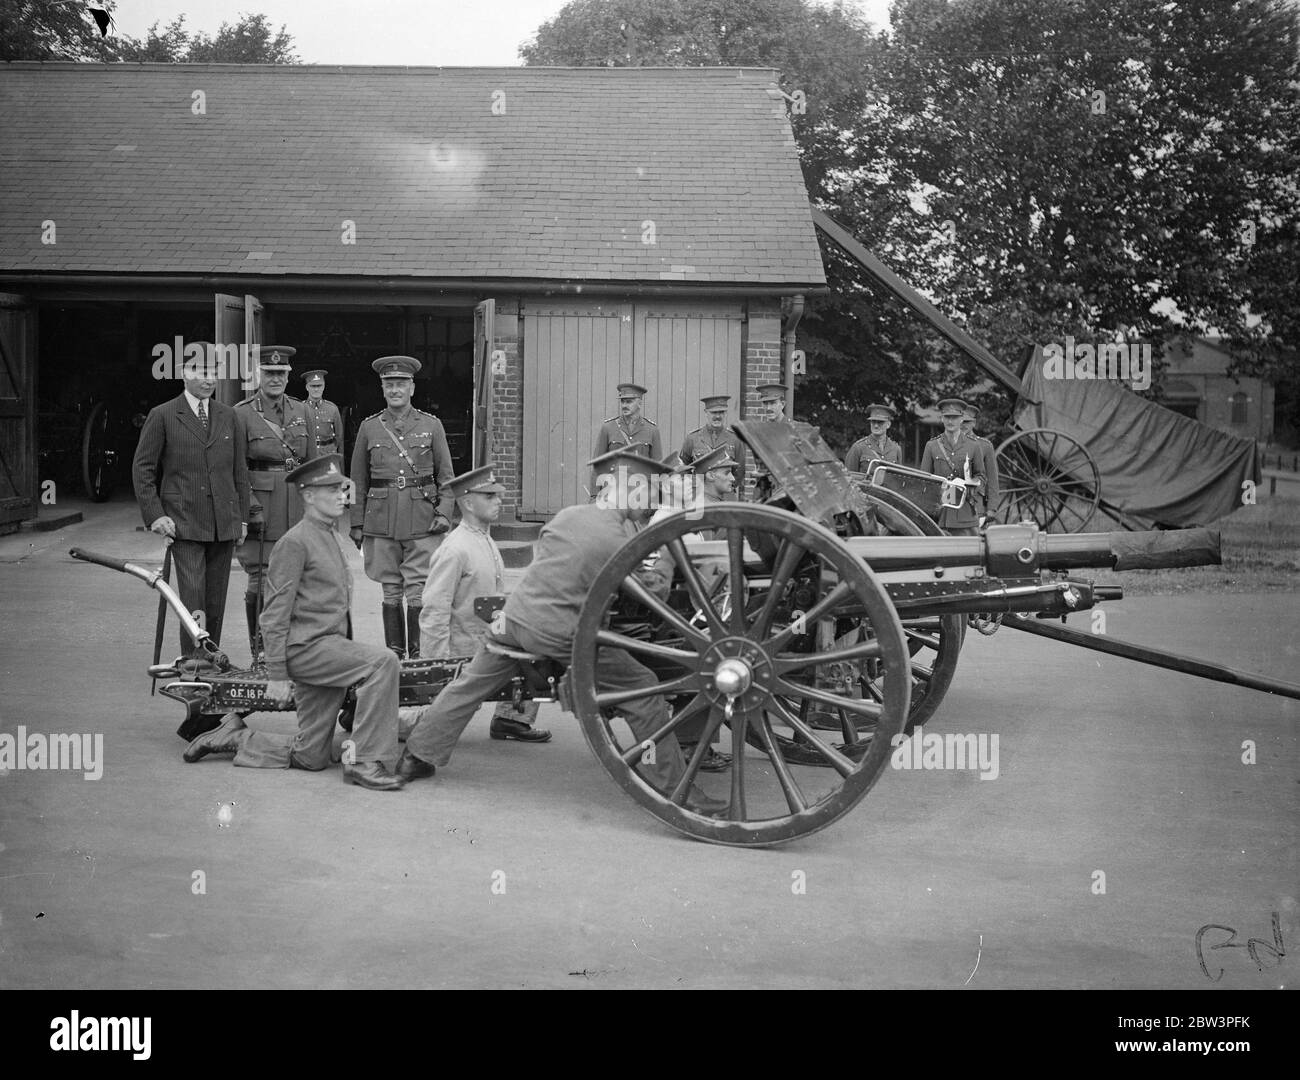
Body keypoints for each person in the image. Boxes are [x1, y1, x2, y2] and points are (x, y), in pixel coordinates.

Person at [393, 449, 726, 817]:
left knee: (469, 686)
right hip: (562, 634)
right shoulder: (618, 538)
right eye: (648, 492)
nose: (650, 502)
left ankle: (416, 756)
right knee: (644, 691)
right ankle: (678, 794)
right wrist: (665, 554)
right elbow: (653, 596)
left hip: (514, 621)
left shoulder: (568, 516)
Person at [180, 454, 405, 791]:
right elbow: (272, 614)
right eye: (330, 490)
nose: (341, 495)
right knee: (383, 663)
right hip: (307, 650)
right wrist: (277, 673)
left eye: (342, 488)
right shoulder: (294, 542)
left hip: (328, 649)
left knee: (311, 757)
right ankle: (366, 761)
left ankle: (237, 738)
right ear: (308, 496)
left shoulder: (330, 536)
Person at [132, 342, 249, 668]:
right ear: (184, 374)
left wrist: (240, 519)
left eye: (213, 372)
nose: (208, 379)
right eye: (200, 372)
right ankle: (194, 659)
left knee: (215, 598)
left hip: (222, 522)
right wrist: (155, 515)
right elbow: (142, 468)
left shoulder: (229, 416)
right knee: (193, 593)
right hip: (183, 522)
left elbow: (239, 469)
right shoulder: (163, 415)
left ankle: (211, 655)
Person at [419, 465, 550, 743]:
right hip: (463, 651)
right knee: (426, 723)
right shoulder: (455, 549)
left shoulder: (483, 539)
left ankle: (510, 719)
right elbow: (434, 610)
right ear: (467, 502)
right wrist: (437, 665)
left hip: (486, 643)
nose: (498, 501)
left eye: (497, 495)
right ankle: (374, 716)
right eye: (489, 496)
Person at [349, 356, 455, 660]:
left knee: (418, 589)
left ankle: (418, 658)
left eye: (401, 384)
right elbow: (357, 478)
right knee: (391, 589)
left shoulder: (431, 425)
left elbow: (446, 476)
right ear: (383, 389)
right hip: (381, 520)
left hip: (422, 517)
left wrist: (444, 513)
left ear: (412, 388)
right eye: (389, 384)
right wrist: (357, 522)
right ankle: (394, 657)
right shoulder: (369, 428)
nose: (395, 389)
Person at [649, 445, 739, 771]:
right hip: (678, 622)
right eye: (681, 479)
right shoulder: (667, 522)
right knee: (709, 660)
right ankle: (688, 746)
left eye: (689, 478)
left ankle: (692, 744)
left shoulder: (679, 519)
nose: (689, 484)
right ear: (663, 485)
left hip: (687, 616)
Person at [233, 346, 317, 663]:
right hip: (262, 507)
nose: (275, 379)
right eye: (269, 373)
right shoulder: (241, 413)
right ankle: (261, 650)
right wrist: (250, 506)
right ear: (259, 374)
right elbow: (237, 468)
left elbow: (313, 465)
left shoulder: (302, 411)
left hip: (295, 507)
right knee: (260, 577)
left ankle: (293, 649)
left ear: (288, 375)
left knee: (296, 577)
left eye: (281, 374)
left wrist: (317, 510)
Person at [919, 398, 986, 536]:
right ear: (942, 419)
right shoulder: (932, 446)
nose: (950, 421)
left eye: (954, 417)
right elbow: (923, 480)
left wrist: (969, 484)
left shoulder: (973, 445)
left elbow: (982, 476)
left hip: (965, 513)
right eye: (947, 417)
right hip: (939, 514)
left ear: (962, 419)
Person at [591, 382, 661, 491]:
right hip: (612, 493)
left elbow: (657, 468)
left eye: (629, 402)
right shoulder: (608, 428)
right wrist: (594, 496)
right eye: (622, 401)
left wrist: (656, 498)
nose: (624, 405)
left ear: (639, 403)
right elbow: (598, 466)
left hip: (640, 495)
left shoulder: (651, 430)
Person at [679, 394, 747, 496]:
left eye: (721, 412)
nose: (718, 416)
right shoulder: (692, 438)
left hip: (725, 496)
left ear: (726, 413)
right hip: (699, 495)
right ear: (706, 413)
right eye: (714, 412)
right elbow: (684, 467)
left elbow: (740, 470)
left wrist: (727, 487)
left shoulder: (735, 439)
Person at [961, 403, 1000, 525]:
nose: (963, 425)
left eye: (967, 422)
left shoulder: (985, 446)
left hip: (976, 503)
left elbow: (992, 479)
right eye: (960, 421)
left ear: (974, 423)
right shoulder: (945, 444)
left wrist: (991, 508)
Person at [751, 382, 789, 502]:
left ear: (782, 404)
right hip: (765, 491)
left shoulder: (794, 429)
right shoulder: (759, 433)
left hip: (788, 493)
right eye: (765, 403)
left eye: (773, 403)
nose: (768, 408)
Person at [844, 403, 903, 472]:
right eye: (873, 422)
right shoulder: (858, 447)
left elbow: (898, 478)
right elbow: (848, 478)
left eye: (880, 422)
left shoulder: (896, 449)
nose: (876, 426)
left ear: (888, 424)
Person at [300, 368, 344, 457]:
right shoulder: (300, 408)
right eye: (313, 386)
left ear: (324, 386)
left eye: (319, 386)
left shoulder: (332, 408)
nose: (316, 389)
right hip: (307, 455)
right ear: (307, 387)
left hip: (327, 454)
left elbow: (339, 436)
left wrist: (333, 451)